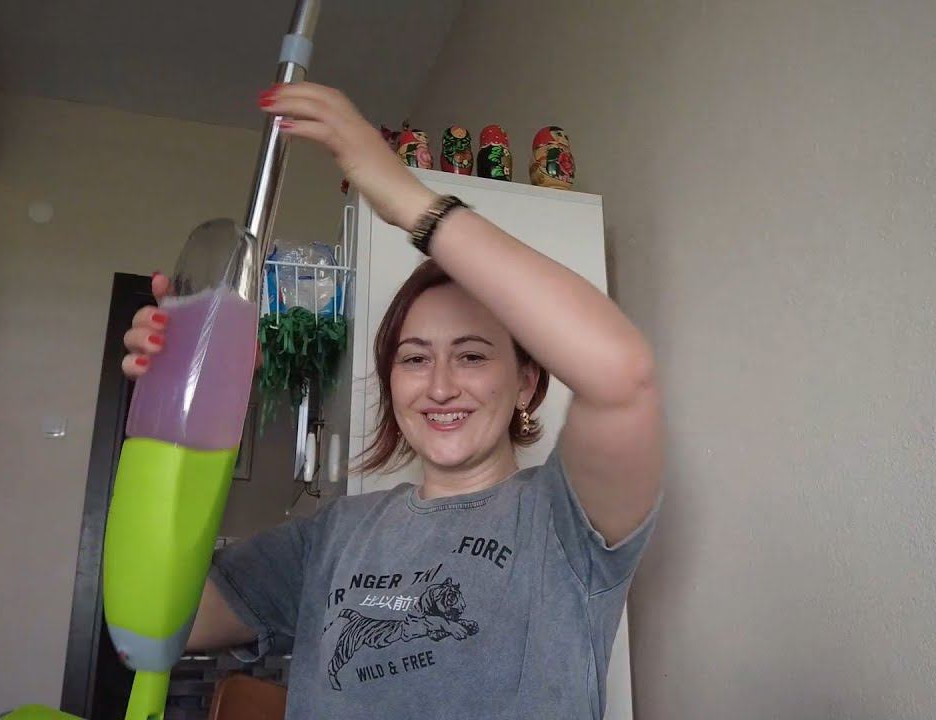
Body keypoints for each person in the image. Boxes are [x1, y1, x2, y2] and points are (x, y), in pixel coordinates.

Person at [121, 83, 663, 719]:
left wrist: (409, 201)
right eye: (414, 358)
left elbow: (621, 374)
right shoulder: (335, 534)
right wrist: (179, 406)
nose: (439, 386)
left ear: (525, 381)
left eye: (472, 355)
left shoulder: (568, 520)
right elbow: (157, 626)